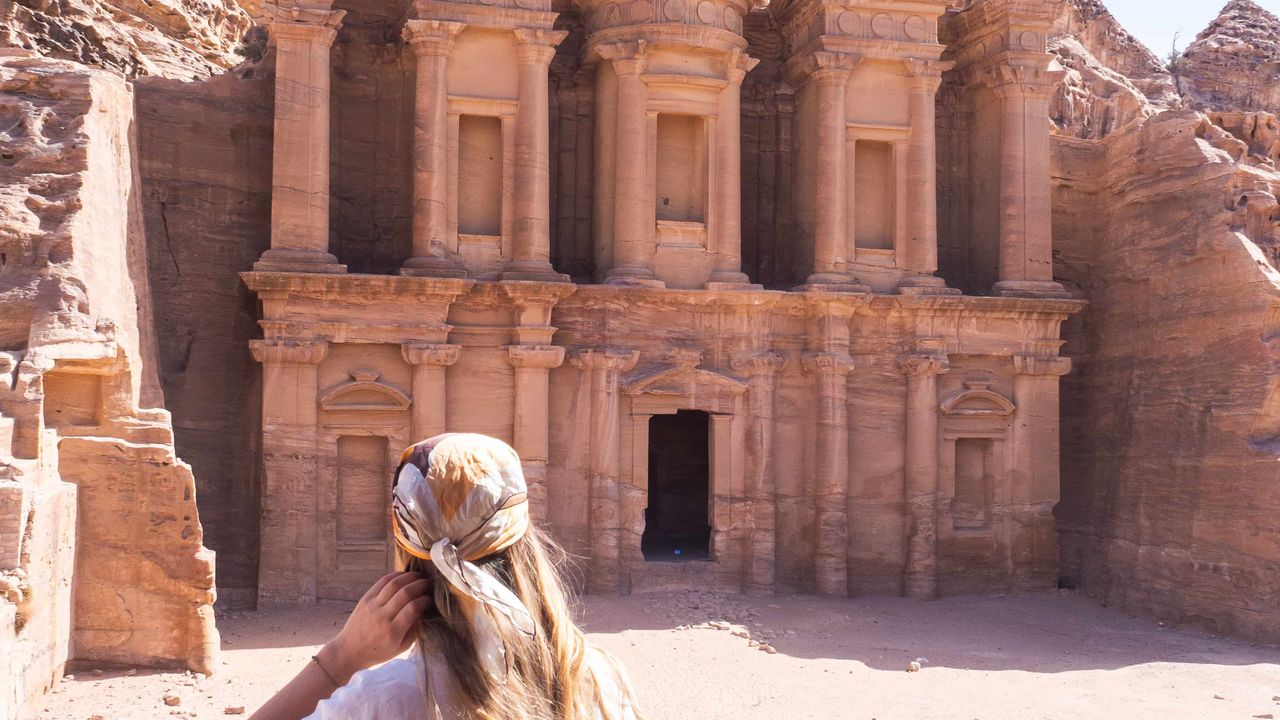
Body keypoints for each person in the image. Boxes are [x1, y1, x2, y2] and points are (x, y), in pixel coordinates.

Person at [251, 433, 645, 720]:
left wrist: (341, 657)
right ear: (524, 545)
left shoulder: (385, 700)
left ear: (406, 550)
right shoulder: (596, 677)